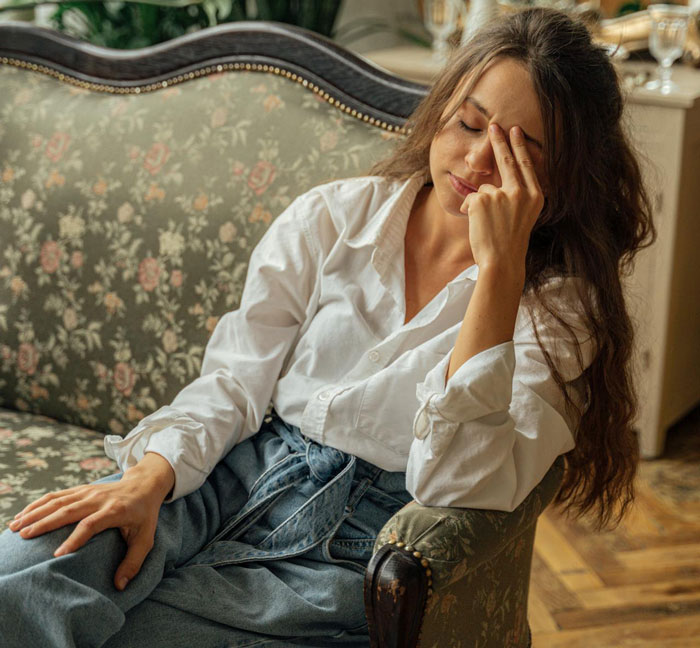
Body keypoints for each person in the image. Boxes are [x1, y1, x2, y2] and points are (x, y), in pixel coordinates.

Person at [0, 6, 654, 647]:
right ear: (440, 114)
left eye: (518, 151)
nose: (479, 161)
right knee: (23, 577)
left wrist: (499, 275)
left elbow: (456, 485)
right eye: (468, 123)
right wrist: (152, 474)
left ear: (563, 175)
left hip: (358, 550)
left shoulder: (559, 310)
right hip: (231, 474)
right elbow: (233, 381)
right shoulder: (332, 217)